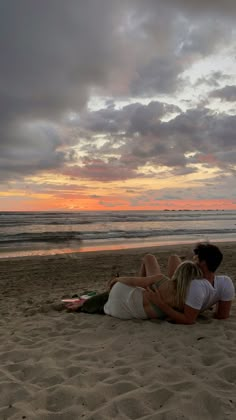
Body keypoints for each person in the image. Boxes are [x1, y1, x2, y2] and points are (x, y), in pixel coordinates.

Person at [65, 254, 202, 320]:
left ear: (178, 273)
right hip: (122, 312)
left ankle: (83, 304)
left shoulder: (161, 280)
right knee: (133, 291)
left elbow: (133, 281)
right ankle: (84, 304)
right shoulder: (186, 301)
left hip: (119, 299)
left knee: (148, 260)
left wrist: (117, 279)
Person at [145, 242, 235, 324]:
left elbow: (188, 319)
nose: (193, 262)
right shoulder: (225, 282)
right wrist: (205, 304)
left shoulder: (196, 285)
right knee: (173, 257)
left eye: (196, 259)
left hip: (169, 298)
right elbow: (222, 315)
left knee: (149, 258)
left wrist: (160, 304)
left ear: (203, 262)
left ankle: (142, 289)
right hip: (181, 290)